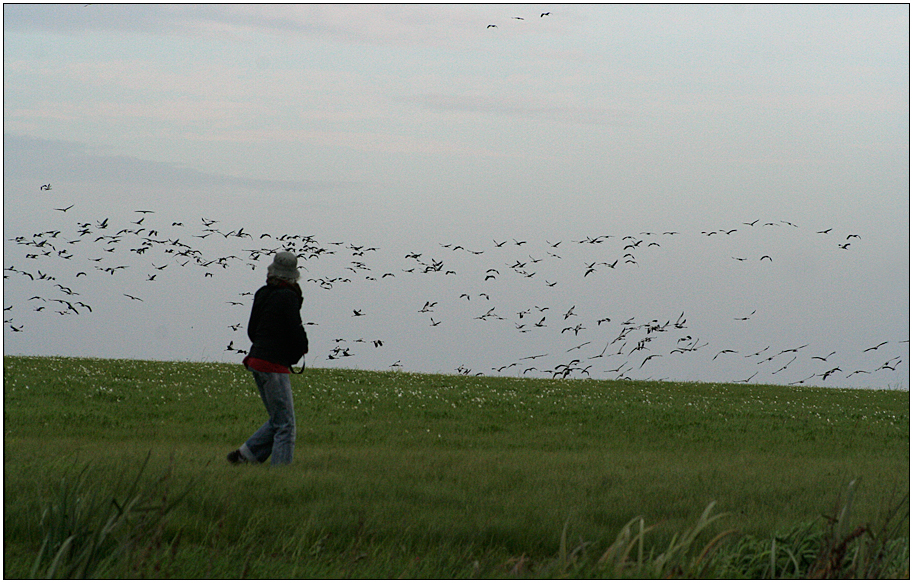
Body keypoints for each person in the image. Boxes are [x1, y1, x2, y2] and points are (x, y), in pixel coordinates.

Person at [227, 250, 308, 466]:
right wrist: (299, 350)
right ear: (293, 276)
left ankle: (245, 457)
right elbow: (296, 331)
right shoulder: (289, 297)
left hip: (256, 360)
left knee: (278, 420)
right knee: (285, 425)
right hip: (273, 365)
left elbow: (252, 330)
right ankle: (280, 474)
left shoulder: (262, 293)